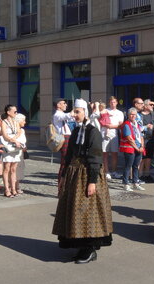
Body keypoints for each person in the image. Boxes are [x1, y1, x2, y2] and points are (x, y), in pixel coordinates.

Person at [52, 98, 113, 264]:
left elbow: (95, 157)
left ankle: (89, 249)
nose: (75, 115)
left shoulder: (93, 132)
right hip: (74, 175)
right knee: (74, 210)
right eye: (75, 112)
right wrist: (64, 176)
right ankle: (80, 247)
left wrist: (92, 181)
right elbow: (69, 156)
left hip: (87, 175)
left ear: (85, 112)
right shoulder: (75, 131)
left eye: (78, 112)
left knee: (87, 211)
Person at [120, 107, 145, 192]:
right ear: (128, 115)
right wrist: (137, 148)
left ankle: (135, 182)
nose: (133, 116)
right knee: (128, 166)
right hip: (130, 149)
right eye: (131, 114)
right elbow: (129, 139)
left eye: (134, 114)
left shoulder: (137, 124)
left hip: (138, 148)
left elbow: (141, 136)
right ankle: (125, 183)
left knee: (136, 166)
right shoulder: (126, 124)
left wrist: (142, 146)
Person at [139, 99, 154, 183]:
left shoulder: (152, 113)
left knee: (149, 158)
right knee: (142, 158)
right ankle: (140, 175)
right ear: (145, 106)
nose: (152, 106)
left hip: (151, 139)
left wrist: (153, 103)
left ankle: (147, 175)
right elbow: (137, 127)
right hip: (143, 139)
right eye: (150, 105)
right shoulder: (140, 115)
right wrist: (146, 126)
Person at [0, 105, 21, 198]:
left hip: (15, 146)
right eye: (14, 111)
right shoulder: (4, 122)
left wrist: (15, 139)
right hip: (8, 147)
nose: (16, 113)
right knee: (7, 168)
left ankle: (13, 188)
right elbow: (4, 135)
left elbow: (19, 132)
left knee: (14, 169)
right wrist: (13, 140)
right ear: (8, 112)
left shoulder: (16, 122)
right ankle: (7, 189)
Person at [52, 98, 75, 183]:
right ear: (58, 105)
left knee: (68, 160)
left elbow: (72, 118)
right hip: (63, 137)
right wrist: (75, 108)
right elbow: (67, 116)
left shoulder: (62, 114)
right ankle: (61, 181)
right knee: (65, 160)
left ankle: (66, 179)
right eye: (64, 103)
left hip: (68, 137)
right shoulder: (57, 115)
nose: (66, 105)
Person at [102, 96, 124, 180]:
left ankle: (114, 171)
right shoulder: (105, 111)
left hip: (114, 134)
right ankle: (107, 172)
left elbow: (121, 125)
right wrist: (106, 125)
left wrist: (112, 126)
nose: (113, 104)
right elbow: (100, 122)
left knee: (115, 153)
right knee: (105, 153)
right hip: (104, 134)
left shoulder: (120, 113)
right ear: (109, 103)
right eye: (111, 102)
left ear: (117, 102)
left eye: (114, 102)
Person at [15, 113, 27, 195]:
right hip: (15, 151)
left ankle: (17, 186)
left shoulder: (22, 130)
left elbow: (24, 141)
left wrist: (24, 147)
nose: (25, 122)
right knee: (14, 169)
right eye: (23, 120)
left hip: (21, 152)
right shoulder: (15, 130)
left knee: (19, 169)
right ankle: (12, 186)